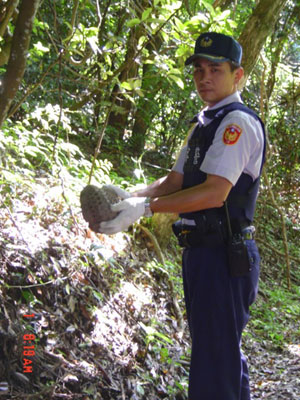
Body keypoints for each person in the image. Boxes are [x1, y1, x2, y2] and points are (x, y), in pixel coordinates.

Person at [97, 32, 266, 400]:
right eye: (199, 70)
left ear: (237, 76)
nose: (204, 77)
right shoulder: (205, 122)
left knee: (213, 363)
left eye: (215, 70)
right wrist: (133, 194)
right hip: (201, 254)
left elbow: (213, 192)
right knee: (220, 355)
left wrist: (145, 209)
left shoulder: (237, 123)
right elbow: (176, 180)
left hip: (224, 255)